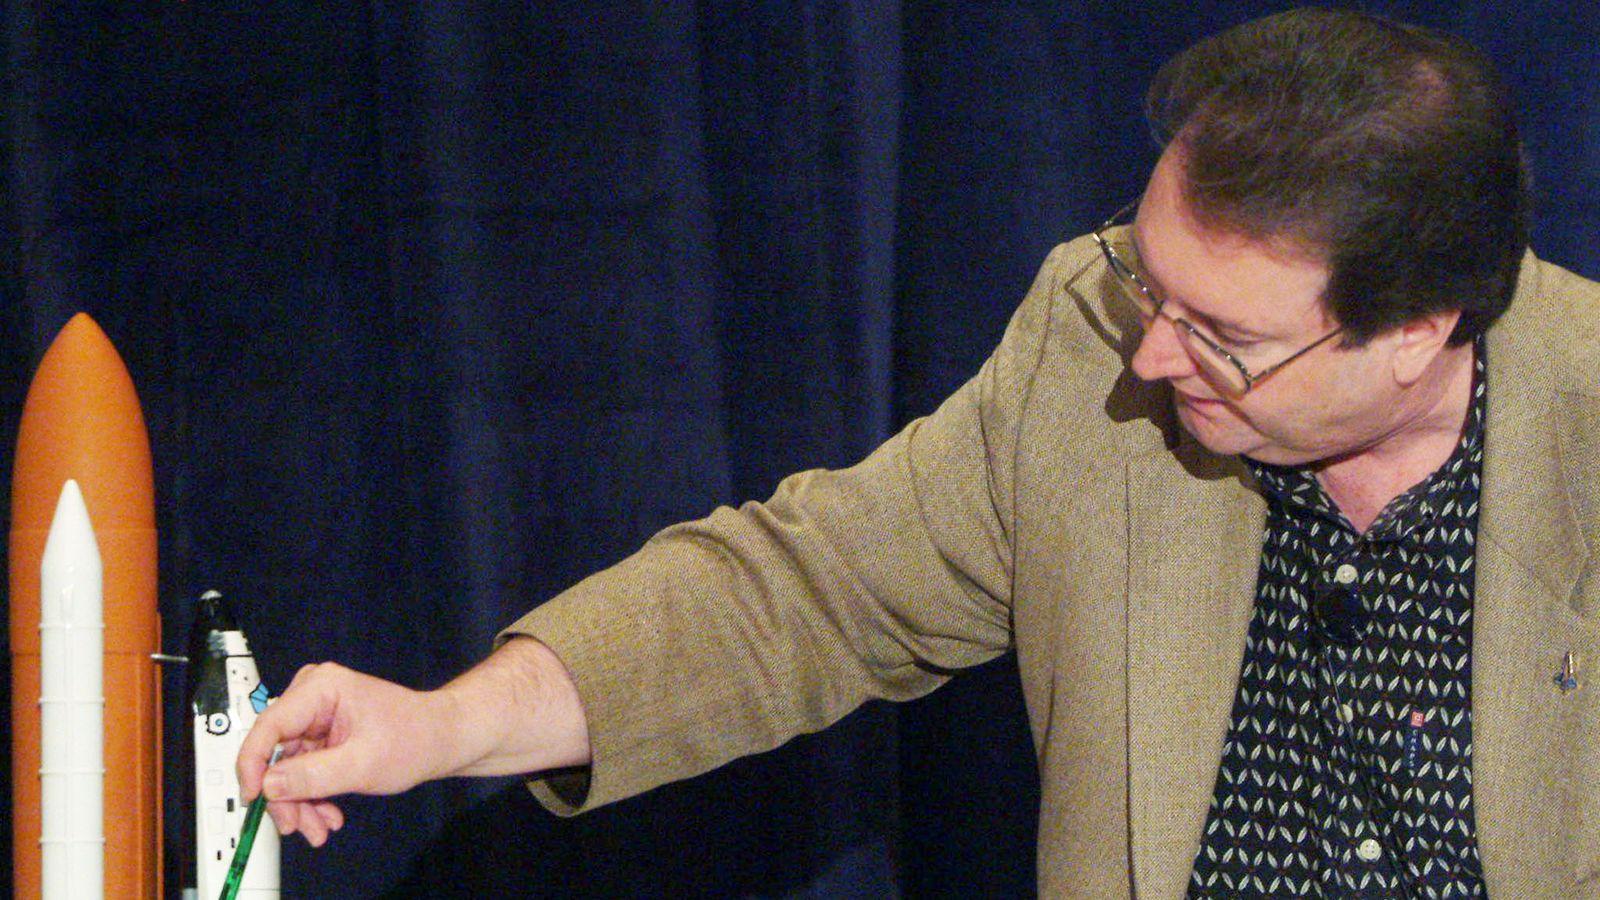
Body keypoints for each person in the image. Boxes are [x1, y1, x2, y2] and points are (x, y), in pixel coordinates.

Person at [238, 8, 1600, 897]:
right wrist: (441, 723)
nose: (1151, 357)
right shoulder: (1088, 361)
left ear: (1418, 330)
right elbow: (799, 592)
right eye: (1151, 283)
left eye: (1223, 337)